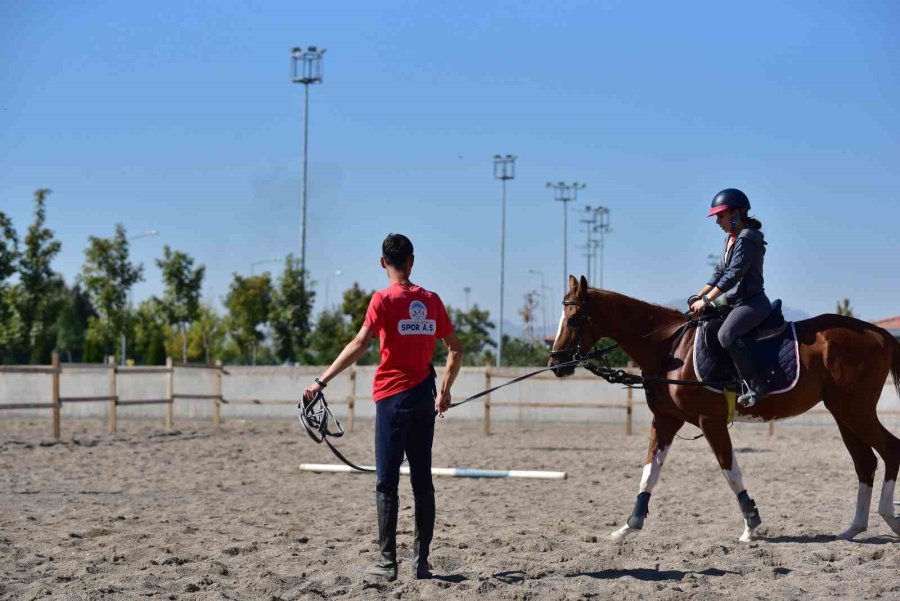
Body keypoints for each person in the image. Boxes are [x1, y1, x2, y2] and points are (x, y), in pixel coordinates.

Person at [303, 233, 463, 581]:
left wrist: (321, 380)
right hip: (424, 398)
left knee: (386, 482)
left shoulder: (383, 300)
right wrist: (445, 390)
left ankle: (387, 562)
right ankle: (420, 562)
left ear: (382, 263)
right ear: (412, 261)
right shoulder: (432, 300)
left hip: (392, 399)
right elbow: (455, 348)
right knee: (423, 481)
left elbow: (360, 343)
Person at [689, 188, 771, 407]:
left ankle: (757, 386)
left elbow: (732, 276)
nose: (717, 221)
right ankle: (729, 381)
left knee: (726, 334)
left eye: (720, 216)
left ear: (736, 213)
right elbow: (718, 273)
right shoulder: (730, 240)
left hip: (752, 303)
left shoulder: (747, 239)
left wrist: (706, 301)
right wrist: (698, 295)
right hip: (736, 304)